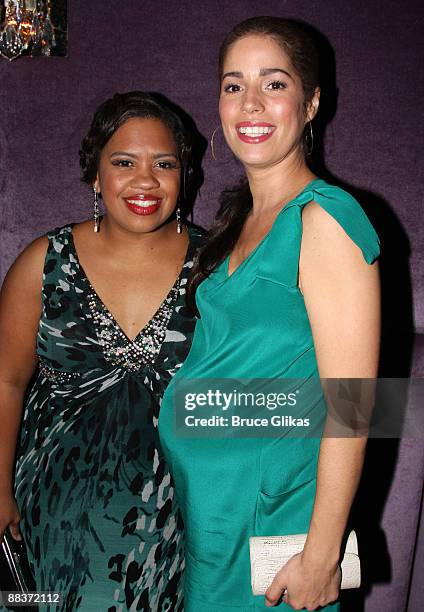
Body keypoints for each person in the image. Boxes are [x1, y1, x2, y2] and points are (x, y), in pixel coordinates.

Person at [158, 17, 380, 611]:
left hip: (276, 530)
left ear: (311, 104)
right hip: (215, 517)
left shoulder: (325, 219)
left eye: (274, 84)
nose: (250, 103)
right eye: (234, 86)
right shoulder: (239, 222)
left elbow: (355, 405)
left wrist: (322, 554)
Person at [0, 91, 204, 611]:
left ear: (185, 175)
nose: (145, 180)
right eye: (123, 162)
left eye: (164, 163)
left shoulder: (219, 266)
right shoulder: (42, 262)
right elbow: (5, 381)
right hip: (50, 514)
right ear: (95, 175)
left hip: (177, 520)